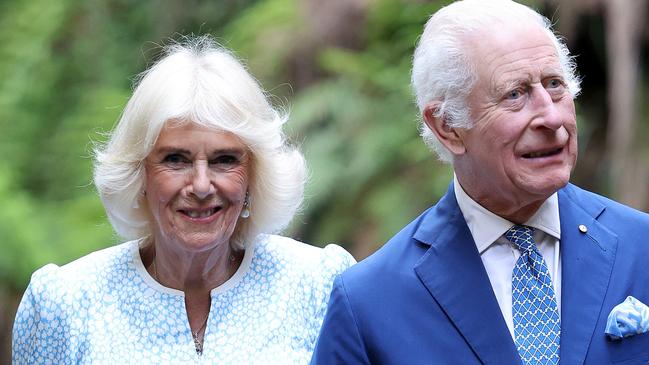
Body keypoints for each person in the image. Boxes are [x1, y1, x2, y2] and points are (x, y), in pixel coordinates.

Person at [311, 1, 649, 364]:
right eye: (515, 94)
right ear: (447, 126)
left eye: (554, 85)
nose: (551, 117)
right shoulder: (370, 302)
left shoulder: (641, 246)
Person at [12, 36, 355, 364]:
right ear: (139, 174)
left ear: (254, 175)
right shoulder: (65, 305)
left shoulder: (320, 286)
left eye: (225, 160)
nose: (202, 185)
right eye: (176, 159)